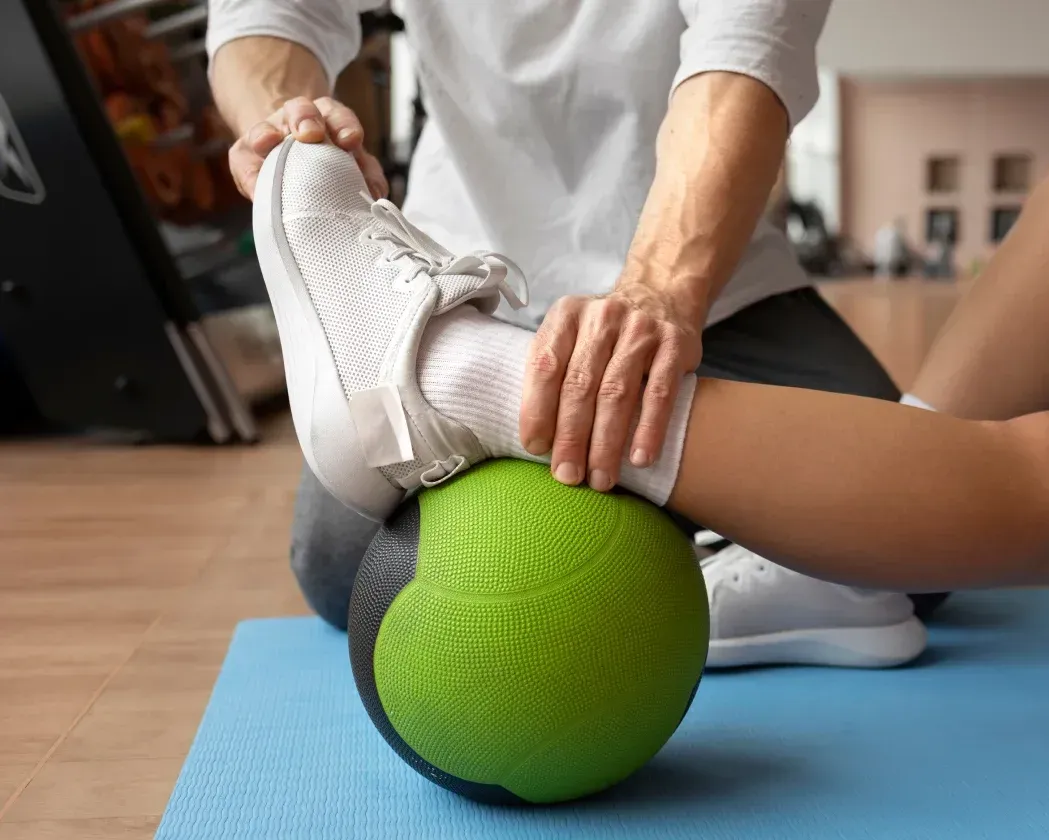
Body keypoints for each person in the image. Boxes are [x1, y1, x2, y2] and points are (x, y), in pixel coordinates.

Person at [250, 33, 1049, 726]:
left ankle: (454, 379)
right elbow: (264, 20)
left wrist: (649, 305)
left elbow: (740, 54)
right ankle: (838, 567)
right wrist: (290, 114)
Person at [206, 0, 943, 668]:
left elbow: (745, 51)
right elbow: (274, 12)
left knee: (912, 542)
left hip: (714, 287)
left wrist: (657, 289)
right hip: (461, 279)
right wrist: (296, 132)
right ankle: (517, 409)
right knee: (349, 572)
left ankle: (639, 522)